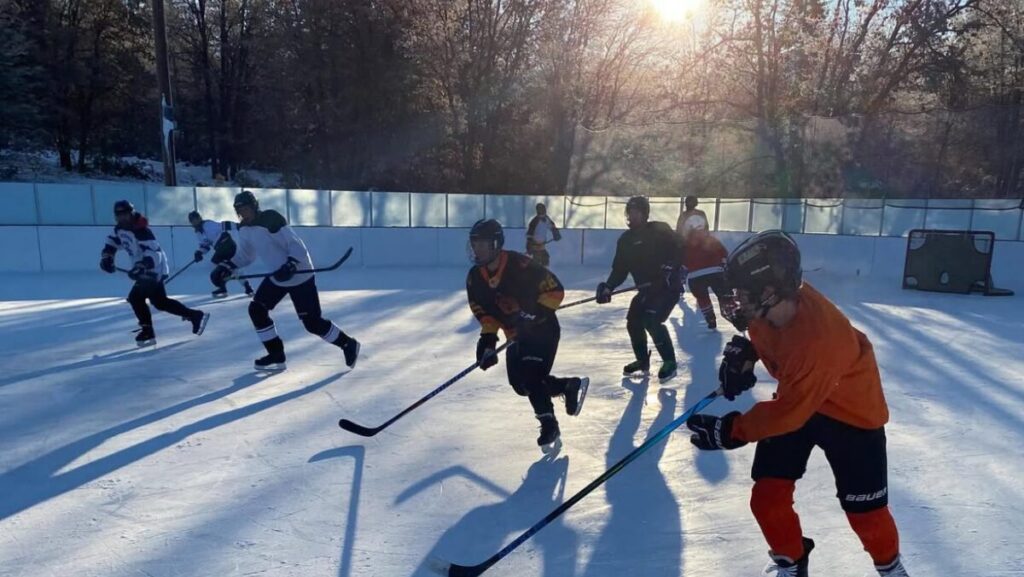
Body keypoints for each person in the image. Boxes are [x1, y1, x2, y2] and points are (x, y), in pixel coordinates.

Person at [685, 230, 910, 577]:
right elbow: (770, 342)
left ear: (769, 292)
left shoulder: (819, 341)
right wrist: (747, 355)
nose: (736, 301)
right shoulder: (770, 309)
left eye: (742, 294)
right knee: (767, 497)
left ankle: (891, 568)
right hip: (799, 398)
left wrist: (731, 430)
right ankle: (791, 561)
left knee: (866, 513)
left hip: (851, 414)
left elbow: (790, 413)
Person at [466, 218, 588, 451]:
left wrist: (534, 316)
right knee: (521, 386)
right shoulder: (474, 278)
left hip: (542, 331)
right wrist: (488, 341)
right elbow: (485, 314)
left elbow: (556, 290)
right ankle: (567, 386)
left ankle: (549, 424)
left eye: (482, 244)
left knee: (531, 376)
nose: (477, 249)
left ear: (495, 244)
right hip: (516, 335)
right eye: (474, 244)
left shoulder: (520, 265)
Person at [211, 190, 360, 371]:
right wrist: (227, 266)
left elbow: (296, 246)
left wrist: (290, 265)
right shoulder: (244, 229)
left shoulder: (271, 219)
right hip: (278, 277)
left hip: (300, 274)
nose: (244, 214)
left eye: (246, 209)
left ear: (254, 207)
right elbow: (246, 255)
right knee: (257, 310)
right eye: (240, 211)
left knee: (312, 323)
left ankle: (348, 344)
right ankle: (276, 354)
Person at [596, 196, 683, 380]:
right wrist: (608, 287)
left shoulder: (660, 229)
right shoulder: (625, 240)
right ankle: (642, 361)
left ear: (645, 214)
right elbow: (619, 270)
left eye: (636, 212)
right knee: (633, 322)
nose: (632, 216)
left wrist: (669, 268)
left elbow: (680, 248)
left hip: (668, 288)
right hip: (646, 290)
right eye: (630, 212)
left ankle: (670, 362)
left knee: (651, 320)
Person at [100, 200, 209, 346]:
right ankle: (195, 315)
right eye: (120, 216)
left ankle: (147, 331)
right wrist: (107, 257)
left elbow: (154, 253)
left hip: (154, 269)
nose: (123, 219)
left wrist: (141, 266)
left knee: (135, 298)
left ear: (131, 214)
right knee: (160, 302)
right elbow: (112, 242)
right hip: (144, 269)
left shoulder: (142, 231)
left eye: (126, 215)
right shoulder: (120, 229)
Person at [680, 215, 734, 330]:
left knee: (702, 298)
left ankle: (710, 318)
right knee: (724, 295)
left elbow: (683, 262)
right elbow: (724, 253)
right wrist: (724, 264)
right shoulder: (711, 239)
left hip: (695, 277)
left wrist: (682, 276)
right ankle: (733, 313)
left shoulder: (686, 244)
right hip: (716, 272)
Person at [188, 210, 253, 298]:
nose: (194, 222)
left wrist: (238, 226)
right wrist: (199, 253)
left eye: (196, 219)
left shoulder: (208, 224)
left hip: (226, 244)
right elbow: (205, 246)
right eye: (192, 221)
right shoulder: (198, 233)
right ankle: (247, 287)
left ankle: (223, 285)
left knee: (216, 261)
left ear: (199, 218)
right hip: (220, 248)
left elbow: (224, 225)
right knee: (232, 267)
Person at [525, 203, 562, 267]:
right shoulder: (534, 221)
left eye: (543, 209)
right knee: (537, 261)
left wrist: (555, 233)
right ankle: (536, 274)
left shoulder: (546, 219)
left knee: (545, 259)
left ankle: (545, 272)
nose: (543, 211)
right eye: (541, 210)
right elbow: (529, 234)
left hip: (542, 245)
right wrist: (529, 245)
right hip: (535, 245)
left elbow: (552, 226)